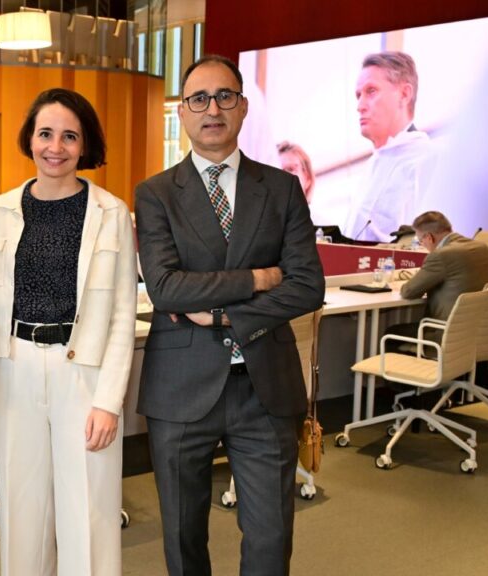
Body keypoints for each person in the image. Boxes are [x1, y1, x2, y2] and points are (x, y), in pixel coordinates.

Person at [135, 55, 325, 575]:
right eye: (199, 99)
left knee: (271, 538)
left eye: (225, 97)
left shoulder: (281, 189)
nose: (212, 109)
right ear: (182, 112)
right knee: (182, 537)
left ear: (242, 108)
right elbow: (166, 287)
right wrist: (258, 278)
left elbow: (308, 285)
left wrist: (222, 316)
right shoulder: (156, 194)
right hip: (180, 387)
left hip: (265, 387)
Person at [0, 88, 136, 575]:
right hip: (16, 369)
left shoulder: (112, 213)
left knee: (87, 510)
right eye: (45, 133)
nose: (56, 147)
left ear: (85, 145)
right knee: (22, 510)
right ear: (29, 139)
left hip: (83, 372)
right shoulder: (0, 211)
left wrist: (109, 402)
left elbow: (122, 315)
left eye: (70, 136)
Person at [344, 51, 436, 242]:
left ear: (404, 94)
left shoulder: (429, 160)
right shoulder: (371, 166)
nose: (360, 106)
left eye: (371, 91)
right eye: (358, 95)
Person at [398, 211, 488, 320]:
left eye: (420, 241)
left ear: (429, 237)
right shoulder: (483, 248)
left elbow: (408, 292)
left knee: (392, 329)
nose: (422, 244)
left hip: (445, 327)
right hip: (479, 326)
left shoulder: (440, 255)